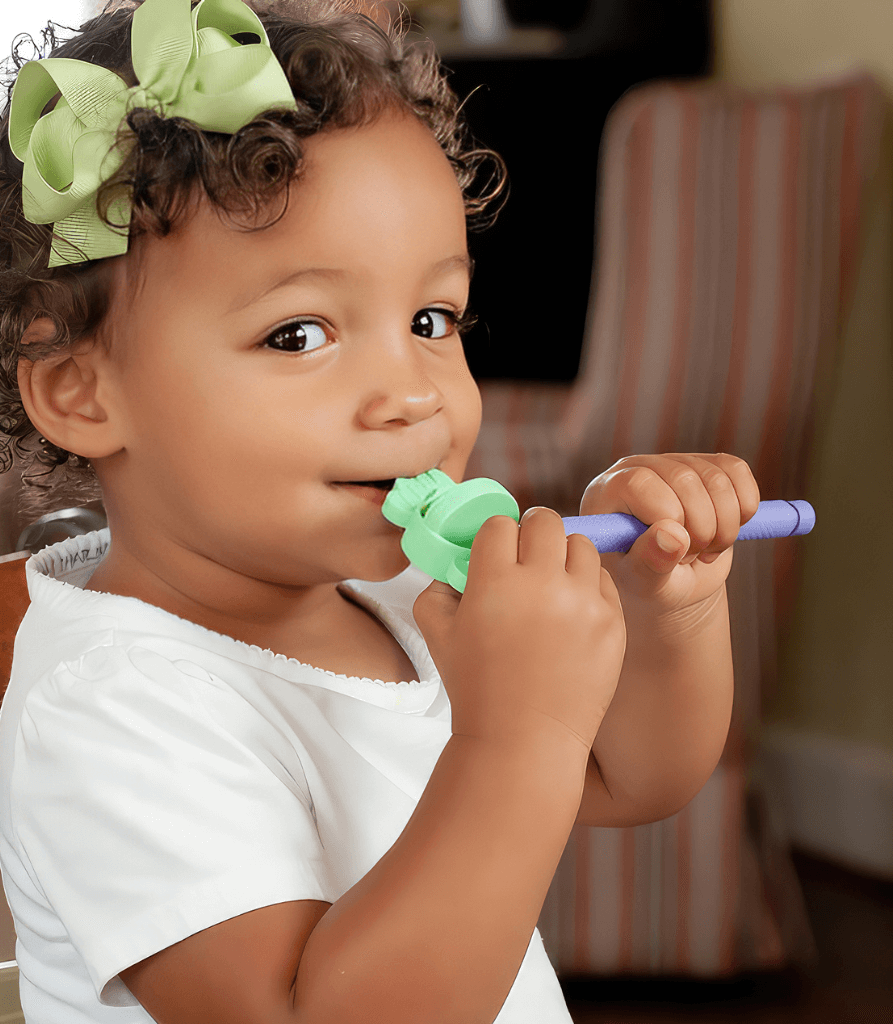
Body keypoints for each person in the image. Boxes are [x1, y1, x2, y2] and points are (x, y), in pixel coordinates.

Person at [0, 0, 760, 1021]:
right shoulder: (113, 705)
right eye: (300, 334)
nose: (412, 393)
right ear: (81, 389)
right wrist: (514, 735)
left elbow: (636, 773)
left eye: (431, 319)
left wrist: (667, 602)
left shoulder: (399, 590)